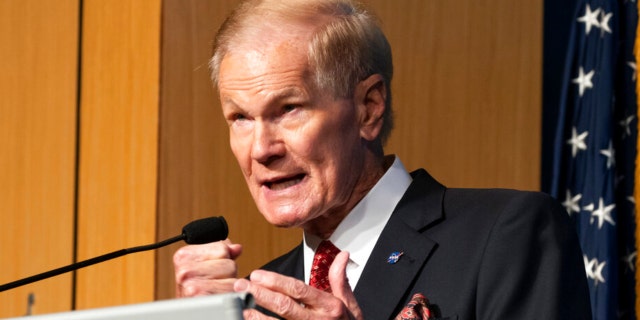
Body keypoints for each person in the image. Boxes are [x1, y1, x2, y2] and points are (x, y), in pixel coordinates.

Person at [173, 0, 592, 319]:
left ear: (369, 108)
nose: (262, 148)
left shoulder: (506, 236)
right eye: (240, 118)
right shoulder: (257, 300)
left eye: (289, 109)